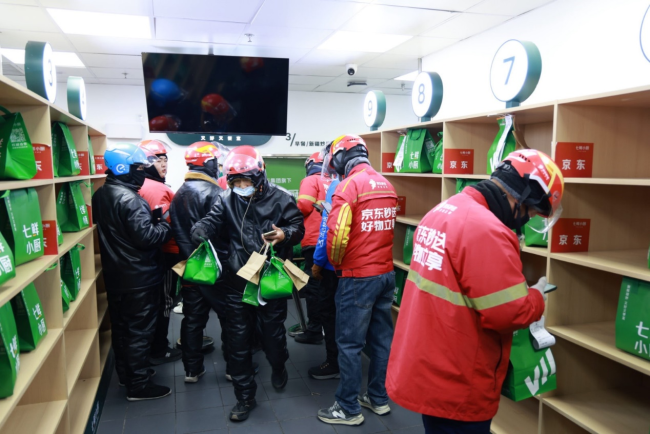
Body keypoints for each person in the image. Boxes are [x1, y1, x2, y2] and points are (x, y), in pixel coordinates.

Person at [386, 149, 564, 433]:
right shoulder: (488, 230)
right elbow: (510, 313)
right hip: (458, 377)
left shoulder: (444, 209)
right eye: (531, 211)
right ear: (521, 196)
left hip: (430, 363)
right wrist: (537, 298)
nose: (527, 219)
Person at [190, 145, 304, 421]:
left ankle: (278, 365)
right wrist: (200, 229)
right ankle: (244, 396)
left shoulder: (282, 198)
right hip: (237, 280)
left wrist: (285, 234)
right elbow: (212, 220)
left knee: (272, 337)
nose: (241, 187)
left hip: (270, 280)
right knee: (237, 341)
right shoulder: (226, 199)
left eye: (246, 181)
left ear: (260, 175)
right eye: (236, 182)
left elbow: (298, 227)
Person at [318, 135, 398, 426]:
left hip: (358, 276)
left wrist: (337, 264)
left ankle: (348, 407)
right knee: (380, 341)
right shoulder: (386, 184)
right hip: (385, 274)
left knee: (349, 344)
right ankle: (378, 398)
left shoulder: (348, 186)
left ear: (341, 158)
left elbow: (338, 236)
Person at [92, 143, 172, 401]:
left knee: (122, 328)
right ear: (122, 168)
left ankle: (127, 375)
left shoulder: (101, 194)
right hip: (139, 277)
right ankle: (139, 385)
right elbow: (148, 238)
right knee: (139, 331)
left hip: (116, 275)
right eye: (138, 168)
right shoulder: (130, 200)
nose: (143, 172)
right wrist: (164, 225)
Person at [136, 139, 182, 365]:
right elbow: (163, 225)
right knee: (165, 302)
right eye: (158, 160)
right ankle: (159, 349)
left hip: (148, 256)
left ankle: (154, 347)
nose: (164, 164)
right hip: (165, 252)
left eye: (165, 160)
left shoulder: (142, 184)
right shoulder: (157, 189)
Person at [290, 151, 332, 344]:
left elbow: (304, 205)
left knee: (313, 286)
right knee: (328, 286)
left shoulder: (310, 180)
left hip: (314, 239)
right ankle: (327, 328)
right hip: (331, 240)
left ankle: (314, 330)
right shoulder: (334, 181)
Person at [307, 148, 341, 379]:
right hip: (361, 269)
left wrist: (318, 262)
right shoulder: (378, 182)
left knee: (329, 313)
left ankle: (333, 362)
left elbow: (327, 230)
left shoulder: (337, 186)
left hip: (332, 265)